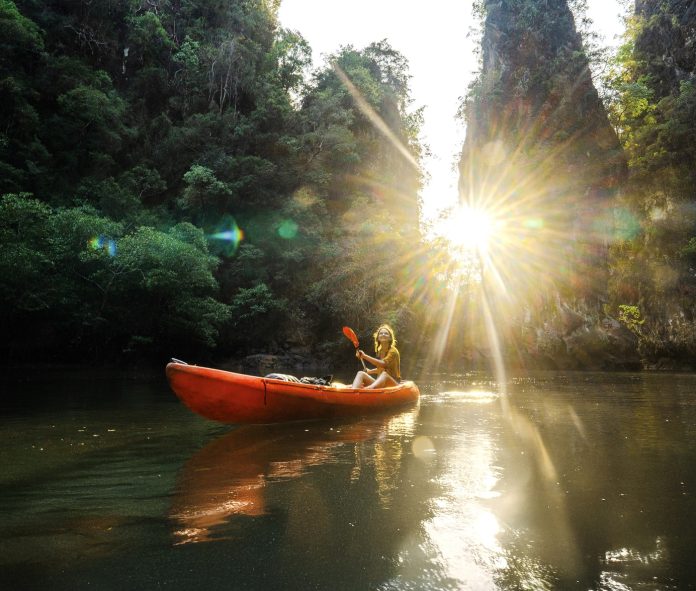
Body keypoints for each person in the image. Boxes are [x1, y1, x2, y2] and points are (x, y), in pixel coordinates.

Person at [351, 324, 401, 389]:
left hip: (394, 384)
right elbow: (381, 369)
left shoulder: (393, 351)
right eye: (381, 333)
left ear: (390, 338)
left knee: (384, 375)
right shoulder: (380, 351)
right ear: (378, 338)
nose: (383, 334)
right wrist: (370, 371)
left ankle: (367, 390)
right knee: (360, 373)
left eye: (386, 333)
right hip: (382, 382)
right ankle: (353, 393)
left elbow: (383, 364)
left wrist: (364, 356)